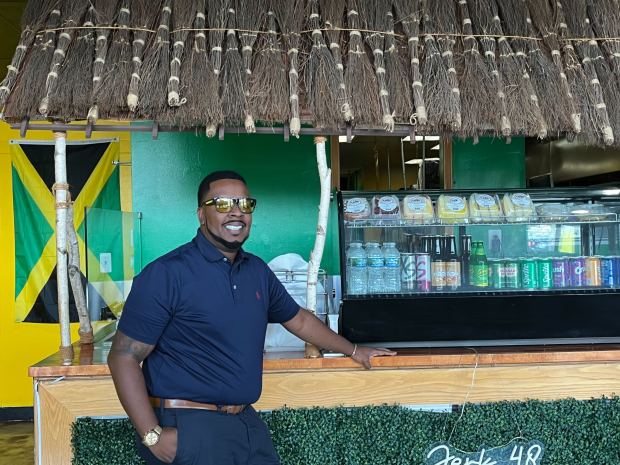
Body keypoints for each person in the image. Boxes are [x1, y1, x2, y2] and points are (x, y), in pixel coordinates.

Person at [107, 170, 396, 465]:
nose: (236, 212)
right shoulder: (166, 274)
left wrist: (355, 350)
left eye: (245, 204)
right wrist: (152, 435)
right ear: (200, 214)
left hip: (245, 422)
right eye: (222, 204)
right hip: (189, 427)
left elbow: (299, 320)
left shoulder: (257, 271)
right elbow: (123, 357)